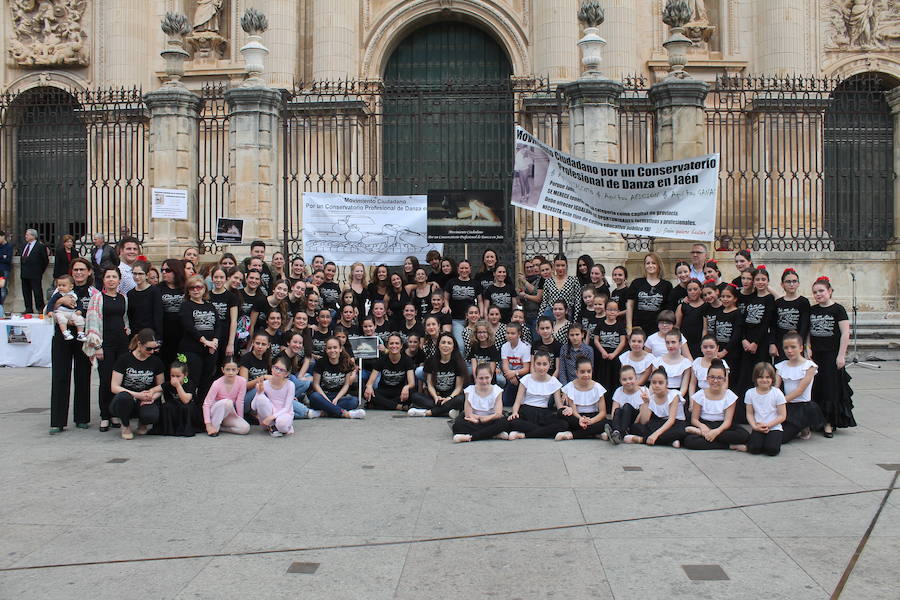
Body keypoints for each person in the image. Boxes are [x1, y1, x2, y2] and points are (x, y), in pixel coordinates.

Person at [48, 257, 96, 433]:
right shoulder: (61, 290)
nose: (78, 273)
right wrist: (60, 302)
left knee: (83, 376)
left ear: (89, 271)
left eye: (82, 269)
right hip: (62, 337)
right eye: (75, 270)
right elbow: (48, 311)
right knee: (60, 376)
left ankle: (82, 418)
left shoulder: (93, 292)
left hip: (82, 337)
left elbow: (95, 316)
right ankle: (57, 421)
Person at [83, 266, 130, 432]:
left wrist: (127, 331)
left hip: (122, 345)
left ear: (119, 280)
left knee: (119, 380)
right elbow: (92, 321)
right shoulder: (97, 298)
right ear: (103, 280)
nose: (111, 279)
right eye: (108, 277)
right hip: (105, 344)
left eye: (114, 277)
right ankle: (104, 415)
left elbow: (125, 319)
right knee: (105, 380)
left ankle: (115, 413)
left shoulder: (123, 298)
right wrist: (97, 346)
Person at [808, 277, 855, 437]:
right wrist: (808, 349)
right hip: (816, 355)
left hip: (831, 354)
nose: (818, 294)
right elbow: (808, 332)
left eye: (821, 291)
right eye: (815, 292)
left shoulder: (838, 309)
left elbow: (845, 334)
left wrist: (841, 355)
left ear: (829, 291)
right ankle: (817, 420)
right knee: (817, 388)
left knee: (830, 389)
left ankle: (829, 422)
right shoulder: (813, 309)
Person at [108, 329, 164, 440]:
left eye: (155, 348)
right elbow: (114, 387)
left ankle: (143, 422)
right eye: (149, 348)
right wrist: (136, 395)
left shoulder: (156, 361)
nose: (152, 351)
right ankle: (125, 425)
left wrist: (152, 397)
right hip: (127, 398)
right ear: (139, 344)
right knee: (123, 398)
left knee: (151, 415)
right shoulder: (124, 359)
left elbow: (161, 387)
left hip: (145, 398)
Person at [683, 360, 749, 451]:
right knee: (689, 441)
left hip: (722, 426)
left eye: (719, 378)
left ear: (724, 379)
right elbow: (694, 419)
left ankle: (701, 434)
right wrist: (702, 427)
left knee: (743, 435)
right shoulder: (700, 395)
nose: (715, 381)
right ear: (707, 378)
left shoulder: (729, 395)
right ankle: (730, 446)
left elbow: (727, 421)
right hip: (705, 423)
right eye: (712, 377)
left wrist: (716, 432)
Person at [506, 351, 567, 440]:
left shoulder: (553, 382)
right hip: (527, 411)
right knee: (512, 422)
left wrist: (566, 409)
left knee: (563, 424)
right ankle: (543, 432)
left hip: (544, 413)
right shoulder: (526, 379)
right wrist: (515, 412)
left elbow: (559, 406)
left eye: (544, 364)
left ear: (549, 365)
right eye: (538, 364)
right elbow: (517, 402)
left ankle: (524, 434)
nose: (541, 367)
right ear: (534, 364)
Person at [737, 266, 776, 408]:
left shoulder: (769, 299)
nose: (760, 282)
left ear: (768, 281)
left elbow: (766, 323)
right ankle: (744, 410)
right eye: (757, 279)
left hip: (761, 342)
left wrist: (755, 343)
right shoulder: (751, 298)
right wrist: (744, 340)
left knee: (761, 374)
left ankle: (763, 407)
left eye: (763, 279)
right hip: (747, 341)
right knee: (745, 375)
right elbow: (742, 321)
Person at [775, 331, 823, 442]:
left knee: (782, 438)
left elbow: (799, 391)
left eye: (793, 347)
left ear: (801, 348)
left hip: (802, 407)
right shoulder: (781, 365)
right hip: (787, 405)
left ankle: (804, 425)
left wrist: (781, 401)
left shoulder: (809, 366)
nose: (789, 351)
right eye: (786, 348)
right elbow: (776, 387)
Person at [179, 275, 220, 399]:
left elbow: (218, 325)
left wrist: (214, 341)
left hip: (210, 350)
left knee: (206, 382)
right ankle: (191, 410)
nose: (196, 290)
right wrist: (205, 341)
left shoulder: (210, 306)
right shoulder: (186, 305)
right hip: (192, 349)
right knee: (192, 380)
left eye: (199, 287)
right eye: (192, 288)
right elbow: (189, 327)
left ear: (204, 289)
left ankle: (203, 409)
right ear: (188, 291)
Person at [408, 333, 468, 418]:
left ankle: (428, 412)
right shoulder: (430, 361)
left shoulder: (458, 362)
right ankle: (448, 411)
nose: (446, 345)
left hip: (452, 397)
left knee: (461, 399)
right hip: (437, 397)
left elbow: (458, 387)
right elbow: (430, 384)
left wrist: (450, 398)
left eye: (449, 343)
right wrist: (436, 397)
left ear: (453, 347)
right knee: (415, 396)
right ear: (438, 345)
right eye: (443, 342)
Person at [627, 367, 686, 447]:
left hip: (674, 423)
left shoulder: (674, 395)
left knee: (681, 431)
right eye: (654, 383)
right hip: (659, 423)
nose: (657, 385)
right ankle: (669, 441)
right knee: (636, 427)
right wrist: (646, 403)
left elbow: (671, 420)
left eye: (660, 383)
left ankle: (641, 440)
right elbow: (644, 421)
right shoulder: (651, 397)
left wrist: (655, 434)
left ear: (667, 384)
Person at [451, 363, 510, 443]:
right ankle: (493, 433)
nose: (484, 381)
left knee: (504, 423)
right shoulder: (469, 390)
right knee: (457, 426)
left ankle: (470, 437)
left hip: (491, 419)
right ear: (476, 378)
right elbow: (468, 414)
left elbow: (498, 413)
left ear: (491, 377)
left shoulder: (497, 390)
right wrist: (479, 419)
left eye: (487, 378)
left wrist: (486, 419)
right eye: (481, 378)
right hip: (474, 420)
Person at [308, 337, 366, 418]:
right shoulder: (320, 362)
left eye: (335, 347)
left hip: (339, 396)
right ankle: (345, 413)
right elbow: (316, 384)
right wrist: (326, 400)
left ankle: (323, 412)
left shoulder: (347, 363)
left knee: (354, 401)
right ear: (326, 350)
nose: (332, 350)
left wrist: (336, 398)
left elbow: (346, 385)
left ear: (340, 349)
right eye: (329, 348)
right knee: (314, 396)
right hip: (323, 395)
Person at [555, 357, 607, 440]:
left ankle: (572, 435)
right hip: (576, 418)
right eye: (582, 372)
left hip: (593, 417)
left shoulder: (598, 387)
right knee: (561, 413)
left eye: (589, 371)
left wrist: (591, 421)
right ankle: (595, 433)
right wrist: (580, 419)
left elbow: (603, 412)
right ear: (576, 372)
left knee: (607, 423)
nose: (586, 375)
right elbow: (573, 409)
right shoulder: (570, 386)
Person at [745, 362, 787, 456]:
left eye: (768, 377)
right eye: (760, 377)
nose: (764, 380)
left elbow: (782, 415)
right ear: (755, 378)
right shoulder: (750, 393)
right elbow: (750, 413)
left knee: (772, 450)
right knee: (754, 449)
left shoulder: (777, 393)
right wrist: (754, 426)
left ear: (772, 378)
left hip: (774, 427)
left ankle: (769, 443)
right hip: (758, 427)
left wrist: (768, 425)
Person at [364, 334, 415, 411]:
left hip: (399, 392)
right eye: (391, 343)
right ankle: (398, 407)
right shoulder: (381, 360)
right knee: (366, 392)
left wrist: (406, 387)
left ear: (401, 346)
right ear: (387, 346)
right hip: (384, 391)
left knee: (412, 393)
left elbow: (412, 383)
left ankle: (379, 405)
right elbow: (370, 382)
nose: (394, 346)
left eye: (397, 343)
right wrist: (369, 387)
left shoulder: (407, 360)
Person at [593, 299, 626, 412]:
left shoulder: (620, 325)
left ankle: (613, 406)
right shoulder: (600, 323)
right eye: (609, 310)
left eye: (614, 310)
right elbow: (596, 339)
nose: (612, 312)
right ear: (605, 311)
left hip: (615, 358)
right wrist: (603, 351)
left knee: (614, 380)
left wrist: (614, 354)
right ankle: (603, 405)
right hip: (603, 357)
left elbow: (622, 341)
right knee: (603, 380)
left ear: (618, 312)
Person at [770, 268, 810, 362]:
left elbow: (805, 326)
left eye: (794, 281)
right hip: (780, 344)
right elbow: (773, 326)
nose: (791, 284)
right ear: (782, 284)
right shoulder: (778, 302)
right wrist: (772, 344)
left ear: (798, 283)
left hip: (796, 344)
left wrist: (800, 344)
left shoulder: (803, 302)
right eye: (788, 281)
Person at [154, 360, 202, 437]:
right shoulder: (169, 383)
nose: (175, 379)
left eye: (178, 376)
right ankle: (170, 429)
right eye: (172, 376)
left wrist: (178, 386)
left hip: (188, 407)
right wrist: (149, 395)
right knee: (166, 406)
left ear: (185, 375)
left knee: (185, 407)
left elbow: (186, 400)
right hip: (174, 406)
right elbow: (155, 389)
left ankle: (186, 429)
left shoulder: (189, 384)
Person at [627, 253, 671, 336]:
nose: (650, 265)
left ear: (658, 265)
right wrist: (629, 326)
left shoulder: (666, 285)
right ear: (644, 265)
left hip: (658, 328)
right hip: (638, 327)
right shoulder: (636, 283)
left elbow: (668, 309)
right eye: (648, 263)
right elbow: (630, 305)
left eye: (653, 263)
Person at [251, 355, 296, 437]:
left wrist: (271, 417)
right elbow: (253, 406)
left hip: (284, 413)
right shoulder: (265, 384)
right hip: (269, 412)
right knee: (261, 398)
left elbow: (287, 408)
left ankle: (281, 426)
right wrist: (259, 392)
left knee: (282, 426)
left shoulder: (290, 385)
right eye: (276, 368)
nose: (278, 372)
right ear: (271, 368)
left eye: (282, 370)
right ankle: (272, 426)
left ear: (286, 374)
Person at [203, 359, 251, 436]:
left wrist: (240, 418)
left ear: (238, 370)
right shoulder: (217, 383)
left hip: (229, 414)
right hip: (216, 412)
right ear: (223, 370)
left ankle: (222, 428)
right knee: (227, 402)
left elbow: (240, 402)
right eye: (228, 369)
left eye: (233, 370)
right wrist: (208, 425)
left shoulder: (242, 381)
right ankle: (214, 427)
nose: (230, 372)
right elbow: (206, 404)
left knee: (245, 428)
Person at [604, 365, 647, 444]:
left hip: (635, 421)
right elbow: (614, 412)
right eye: (624, 379)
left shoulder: (643, 391)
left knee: (626, 406)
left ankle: (620, 433)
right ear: (620, 381)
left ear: (636, 378)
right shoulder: (618, 391)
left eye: (630, 378)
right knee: (617, 410)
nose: (628, 381)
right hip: (621, 420)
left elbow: (642, 414)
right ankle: (617, 432)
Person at [158, 259, 186, 368]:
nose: (164, 272)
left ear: (176, 271)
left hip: (182, 332)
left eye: (168, 270)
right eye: (162, 270)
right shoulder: (158, 289)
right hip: (165, 331)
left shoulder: (185, 288)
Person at [126, 259, 163, 339]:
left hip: (151, 334)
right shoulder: (130, 294)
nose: (137, 277)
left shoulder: (154, 291)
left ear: (147, 275)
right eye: (134, 273)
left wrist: (158, 337)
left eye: (140, 274)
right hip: (135, 335)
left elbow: (158, 316)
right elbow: (131, 317)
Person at [652, 328, 693, 400]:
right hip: (659, 395)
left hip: (678, 397)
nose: (670, 345)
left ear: (680, 344)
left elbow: (684, 387)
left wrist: (675, 399)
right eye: (667, 342)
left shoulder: (686, 363)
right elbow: (653, 384)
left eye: (673, 342)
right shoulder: (657, 361)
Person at [538, 254, 580, 321]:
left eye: (563, 265)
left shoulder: (573, 280)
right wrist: (539, 319)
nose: (560, 268)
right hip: (551, 315)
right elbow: (544, 302)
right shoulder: (548, 281)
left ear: (567, 266)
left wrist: (576, 319)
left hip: (567, 316)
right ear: (554, 266)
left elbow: (577, 302)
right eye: (558, 265)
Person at [208, 266, 238, 363]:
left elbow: (234, 321)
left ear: (226, 278)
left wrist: (230, 344)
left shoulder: (231, 297)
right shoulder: (206, 296)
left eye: (221, 277)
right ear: (212, 278)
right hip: (210, 336)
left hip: (226, 335)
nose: (218, 280)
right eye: (216, 277)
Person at [500, 323, 532, 406]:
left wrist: (515, 373)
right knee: (506, 402)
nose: (509, 336)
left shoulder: (525, 347)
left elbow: (526, 369)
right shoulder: (504, 346)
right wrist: (511, 376)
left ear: (519, 334)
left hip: (522, 376)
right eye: (507, 333)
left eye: (512, 333)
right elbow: (505, 365)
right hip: (510, 376)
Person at [47, 274, 86, 342]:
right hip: (61, 312)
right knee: (61, 319)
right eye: (59, 285)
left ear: (71, 287)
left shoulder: (74, 294)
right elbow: (51, 303)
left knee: (80, 319)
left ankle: (80, 333)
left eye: (63, 285)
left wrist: (80, 310)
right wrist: (49, 311)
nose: (61, 287)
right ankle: (65, 333)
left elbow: (79, 303)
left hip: (72, 312)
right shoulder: (58, 295)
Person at [19, 228, 49, 313]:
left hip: (35, 273)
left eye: (27, 234)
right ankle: (28, 308)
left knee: (37, 291)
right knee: (26, 292)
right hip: (24, 273)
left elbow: (45, 260)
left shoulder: (40, 246)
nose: (25, 236)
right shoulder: (24, 245)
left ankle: (40, 308)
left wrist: (40, 271)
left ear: (33, 236)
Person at [676, 279, 706, 359]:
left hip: (700, 342)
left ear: (701, 289)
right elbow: (677, 327)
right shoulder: (682, 306)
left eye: (695, 289)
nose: (692, 292)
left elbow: (705, 328)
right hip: (685, 343)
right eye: (690, 290)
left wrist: (703, 343)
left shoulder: (706, 306)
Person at [467, 321, 503, 385]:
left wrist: (487, 381)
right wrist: (476, 379)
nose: (482, 335)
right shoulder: (474, 346)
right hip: (477, 376)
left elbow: (492, 368)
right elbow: (474, 365)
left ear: (488, 333)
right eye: (479, 332)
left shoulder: (492, 347)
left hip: (489, 378)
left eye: (484, 332)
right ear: (475, 334)